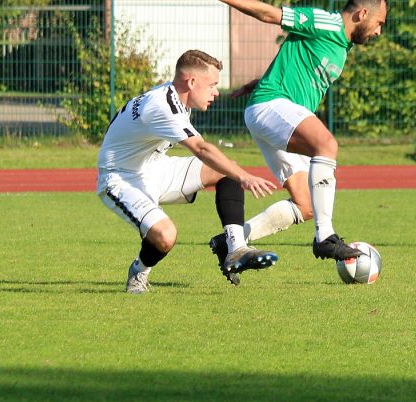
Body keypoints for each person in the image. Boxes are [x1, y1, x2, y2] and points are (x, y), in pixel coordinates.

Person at [197, 0, 388, 270]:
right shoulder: (326, 23)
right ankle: (325, 237)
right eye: (379, 23)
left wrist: (259, 81)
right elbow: (270, 14)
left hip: (276, 110)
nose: (378, 32)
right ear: (363, 14)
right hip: (272, 106)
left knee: (306, 205)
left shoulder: (342, 46)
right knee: (327, 145)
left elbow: (295, 65)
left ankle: (231, 241)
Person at [97, 49, 279, 292]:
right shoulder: (161, 107)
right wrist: (244, 177)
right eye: (212, 85)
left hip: (154, 166)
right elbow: (201, 149)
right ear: (191, 82)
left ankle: (235, 248)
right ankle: (139, 271)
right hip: (121, 177)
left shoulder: (175, 97)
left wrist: (237, 173)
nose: (216, 92)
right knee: (165, 236)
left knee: (226, 169)